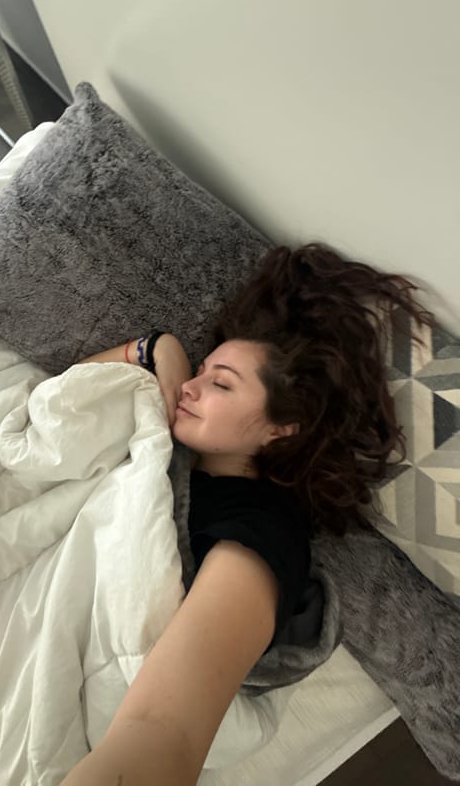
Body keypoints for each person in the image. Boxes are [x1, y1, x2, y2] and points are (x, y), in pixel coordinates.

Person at [61, 243, 436, 786]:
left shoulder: (262, 533)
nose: (190, 386)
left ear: (284, 426)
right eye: (203, 370)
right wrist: (158, 350)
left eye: (221, 383)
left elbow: (162, 730)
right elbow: (63, 400)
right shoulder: (173, 460)